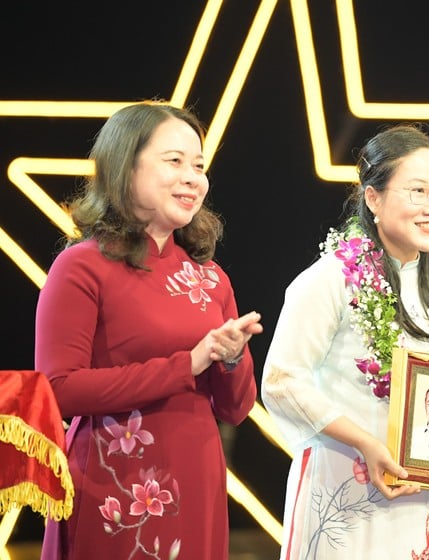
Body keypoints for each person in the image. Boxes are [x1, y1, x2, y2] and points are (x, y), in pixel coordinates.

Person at [261, 123, 429, 559]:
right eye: (418, 192)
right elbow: (281, 382)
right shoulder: (330, 278)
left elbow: (423, 400)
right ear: (373, 198)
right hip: (344, 491)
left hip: (419, 500)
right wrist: (366, 443)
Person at [34, 101, 263, 559]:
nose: (192, 177)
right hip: (114, 487)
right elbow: (59, 389)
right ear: (125, 167)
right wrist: (188, 364)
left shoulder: (211, 277)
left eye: (198, 166)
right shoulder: (81, 266)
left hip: (198, 480)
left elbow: (236, 409)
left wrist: (232, 358)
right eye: (174, 161)